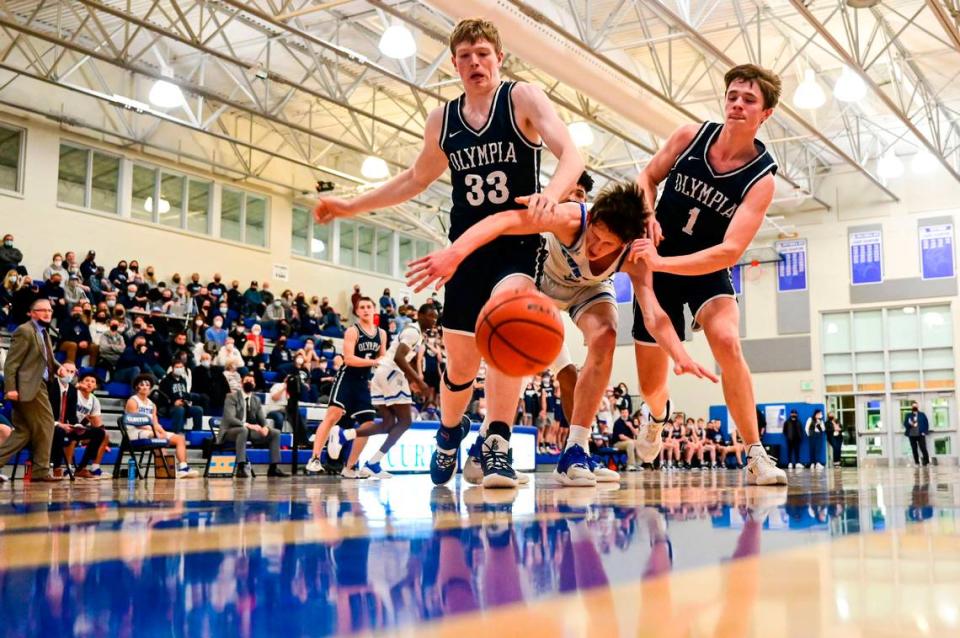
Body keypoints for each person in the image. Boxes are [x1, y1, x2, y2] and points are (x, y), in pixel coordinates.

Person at [315, 18, 584, 489]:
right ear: (455, 64)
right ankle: (449, 434)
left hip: (517, 241)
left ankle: (496, 442)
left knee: (508, 324)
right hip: (464, 250)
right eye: (465, 56)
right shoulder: (443, 119)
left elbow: (572, 156)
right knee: (460, 365)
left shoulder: (522, 98)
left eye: (483, 53)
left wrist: (552, 195)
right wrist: (350, 204)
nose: (475, 62)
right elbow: (415, 179)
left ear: (499, 57)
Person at [409, 181, 716, 487]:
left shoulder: (635, 258)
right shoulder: (570, 217)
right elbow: (503, 220)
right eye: (594, 236)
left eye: (607, 245)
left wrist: (680, 355)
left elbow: (653, 315)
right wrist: (455, 253)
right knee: (516, 347)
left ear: (625, 242)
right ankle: (489, 442)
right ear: (592, 217)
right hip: (542, 279)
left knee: (606, 335)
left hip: (588, 290)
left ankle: (576, 450)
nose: (595, 247)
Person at [627, 64, 787, 486]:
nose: (737, 104)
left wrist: (663, 264)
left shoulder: (761, 178)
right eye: (733, 95)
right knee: (651, 385)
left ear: (765, 114)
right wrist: (647, 214)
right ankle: (657, 417)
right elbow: (646, 176)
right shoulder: (689, 136)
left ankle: (755, 453)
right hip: (658, 257)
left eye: (749, 99)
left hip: (706, 267)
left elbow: (730, 251)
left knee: (728, 341)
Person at [326, 304, 439, 479]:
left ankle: (345, 436)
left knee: (387, 424)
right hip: (391, 373)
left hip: (381, 374)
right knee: (405, 421)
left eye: (436, 317)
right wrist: (418, 381)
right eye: (431, 316)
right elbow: (399, 358)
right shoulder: (413, 332)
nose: (434, 320)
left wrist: (412, 381)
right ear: (420, 315)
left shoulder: (416, 334)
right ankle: (373, 462)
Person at [305, 298, 385, 478]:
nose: (365, 310)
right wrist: (374, 362)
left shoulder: (382, 334)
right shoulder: (352, 331)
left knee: (368, 425)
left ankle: (350, 467)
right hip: (347, 377)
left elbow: (383, 359)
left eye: (368, 307)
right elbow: (348, 359)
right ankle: (315, 458)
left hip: (364, 382)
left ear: (374, 310)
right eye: (362, 307)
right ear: (357, 312)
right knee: (333, 415)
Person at [0, 299, 61, 482]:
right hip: (29, 387)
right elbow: (12, 362)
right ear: (32, 313)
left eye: (49, 310)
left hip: (36, 385)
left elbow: (46, 358)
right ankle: (40, 470)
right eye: (42, 310)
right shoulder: (24, 331)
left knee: (23, 432)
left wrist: (58, 367)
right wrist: (10, 388)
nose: (47, 313)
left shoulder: (44, 332)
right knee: (47, 424)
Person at [123, 374, 198, 478]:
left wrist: (162, 432)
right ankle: (169, 469)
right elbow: (135, 422)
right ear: (137, 387)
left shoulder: (152, 404)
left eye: (147, 385)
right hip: (135, 432)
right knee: (157, 437)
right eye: (142, 384)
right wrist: (155, 432)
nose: (145, 387)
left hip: (150, 430)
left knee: (179, 438)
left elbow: (155, 422)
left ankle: (183, 467)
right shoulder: (133, 401)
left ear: (150, 387)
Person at [219, 372, 288, 478]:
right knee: (243, 430)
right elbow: (230, 418)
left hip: (248, 431)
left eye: (251, 381)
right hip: (231, 431)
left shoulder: (256, 399)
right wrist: (248, 425)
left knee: (275, 433)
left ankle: (273, 468)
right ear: (241, 383)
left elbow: (261, 418)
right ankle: (241, 467)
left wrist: (265, 427)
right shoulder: (231, 397)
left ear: (255, 384)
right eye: (246, 380)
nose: (249, 383)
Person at [47, 363, 106, 480]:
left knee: (99, 433)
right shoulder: (50, 385)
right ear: (59, 371)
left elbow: (71, 414)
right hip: (50, 424)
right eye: (66, 370)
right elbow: (45, 412)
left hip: (66, 425)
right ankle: (57, 467)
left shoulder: (72, 390)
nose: (68, 374)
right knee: (59, 431)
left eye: (72, 372)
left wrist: (77, 426)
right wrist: (59, 424)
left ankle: (81, 468)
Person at [904, 400, 930, 466]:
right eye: (913, 406)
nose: (915, 407)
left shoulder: (922, 414)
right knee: (914, 449)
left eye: (916, 406)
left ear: (918, 406)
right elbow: (905, 424)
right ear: (911, 407)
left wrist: (925, 432)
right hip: (912, 434)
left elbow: (926, 423)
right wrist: (910, 424)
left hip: (920, 434)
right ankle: (917, 462)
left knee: (923, 448)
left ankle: (926, 462)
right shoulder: (908, 415)